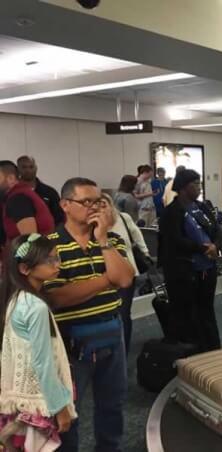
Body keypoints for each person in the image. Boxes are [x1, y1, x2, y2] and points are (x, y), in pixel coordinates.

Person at [43, 177, 134, 452]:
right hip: (71, 341)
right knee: (68, 410)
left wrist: (103, 239)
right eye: (86, 202)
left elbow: (126, 279)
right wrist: (107, 280)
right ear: (65, 205)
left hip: (111, 331)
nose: (94, 207)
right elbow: (57, 297)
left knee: (113, 403)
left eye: (98, 201)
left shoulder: (111, 239)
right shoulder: (49, 246)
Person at [0, 234, 77, 450]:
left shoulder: (16, 298)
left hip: (19, 400)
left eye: (57, 258)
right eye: (50, 260)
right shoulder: (35, 306)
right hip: (39, 404)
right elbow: (43, 362)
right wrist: (59, 407)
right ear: (25, 269)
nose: (57, 265)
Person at [159, 169, 222, 351]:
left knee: (206, 309)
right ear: (184, 187)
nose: (199, 188)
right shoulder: (172, 212)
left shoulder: (201, 207)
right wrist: (203, 248)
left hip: (207, 268)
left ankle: (213, 346)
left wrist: (215, 246)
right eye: (196, 184)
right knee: (188, 312)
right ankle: (195, 348)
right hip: (185, 272)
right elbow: (175, 240)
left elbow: (216, 230)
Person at [100, 192, 150, 355]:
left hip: (129, 271)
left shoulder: (123, 218)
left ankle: (123, 348)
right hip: (106, 275)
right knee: (109, 311)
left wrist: (145, 252)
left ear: (111, 204)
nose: (102, 208)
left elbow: (137, 235)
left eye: (105, 203)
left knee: (123, 311)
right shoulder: (94, 224)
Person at [0, 160, 54, 244]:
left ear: (11, 179)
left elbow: (30, 240)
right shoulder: (19, 194)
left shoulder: (18, 199)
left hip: (37, 255)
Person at [17, 156, 64, 226]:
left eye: (31, 167)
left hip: (47, 235)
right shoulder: (13, 192)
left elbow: (59, 218)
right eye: (24, 167)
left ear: (36, 168)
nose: (28, 170)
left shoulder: (49, 192)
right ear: (18, 169)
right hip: (18, 235)